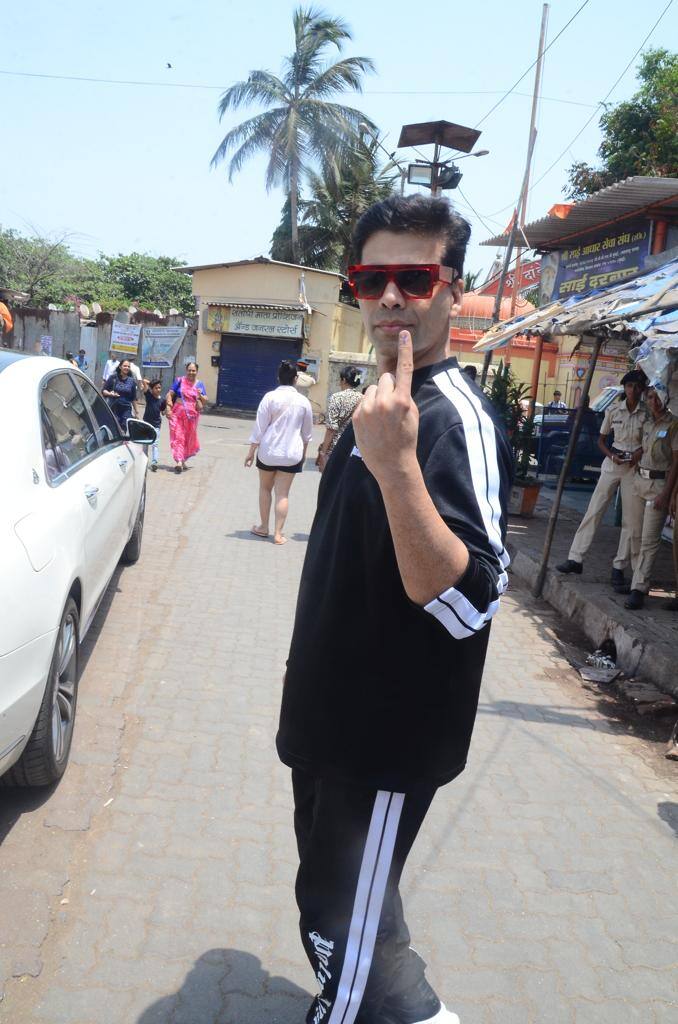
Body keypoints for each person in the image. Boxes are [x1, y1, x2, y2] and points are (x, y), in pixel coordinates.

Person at [277, 194, 511, 1024]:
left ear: (454, 290)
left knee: (346, 931)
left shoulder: (452, 423)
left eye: (414, 277)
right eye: (370, 277)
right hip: (330, 721)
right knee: (343, 899)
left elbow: (471, 604)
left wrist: (398, 467)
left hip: (384, 743)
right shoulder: (380, 402)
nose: (389, 298)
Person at [556, 371, 648, 590]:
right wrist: (611, 455)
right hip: (612, 463)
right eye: (629, 386)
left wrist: (639, 454)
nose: (633, 390)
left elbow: (649, 441)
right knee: (594, 510)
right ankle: (575, 558)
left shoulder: (647, 414)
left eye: (637, 386)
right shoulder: (614, 409)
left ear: (642, 389)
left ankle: (619, 567)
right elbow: (601, 440)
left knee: (631, 521)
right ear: (624, 388)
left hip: (634, 467)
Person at [244, 359, 313, 545]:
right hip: (292, 454)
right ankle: (278, 534)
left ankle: (263, 527)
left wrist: (251, 452)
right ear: (296, 379)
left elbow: (259, 428)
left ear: (278, 377)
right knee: (283, 494)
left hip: (268, 452)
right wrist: (304, 454)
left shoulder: (269, 397)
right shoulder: (304, 402)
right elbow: (307, 434)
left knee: (265, 488)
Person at [624, 380, 678, 610]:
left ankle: (639, 587)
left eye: (658, 398)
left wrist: (667, 493)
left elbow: (676, 462)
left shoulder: (674, 424)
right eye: (650, 398)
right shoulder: (648, 422)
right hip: (639, 482)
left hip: (658, 485)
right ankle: (637, 579)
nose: (654, 402)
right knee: (635, 534)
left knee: (649, 540)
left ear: (665, 399)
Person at [316, 364, 363, 472]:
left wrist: (323, 452)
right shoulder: (363, 398)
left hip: (336, 447)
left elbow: (331, 428)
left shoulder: (336, 397)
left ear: (344, 380)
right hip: (353, 447)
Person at [166, 361, 207, 473]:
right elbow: (170, 394)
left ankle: (183, 460)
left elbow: (205, 400)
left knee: (188, 438)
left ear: (197, 371)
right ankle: (179, 461)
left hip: (192, 417)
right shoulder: (179, 381)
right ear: (186, 370)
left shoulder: (199, 384)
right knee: (178, 436)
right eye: (189, 370)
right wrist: (169, 408)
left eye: (193, 370)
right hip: (177, 414)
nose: (191, 372)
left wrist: (200, 395)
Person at [102, 358, 139, 432]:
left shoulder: (132, 381)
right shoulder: (113, 378)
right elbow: (103, 391)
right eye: (125, 366)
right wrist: (110, 394)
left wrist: (137, 412)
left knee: (124, 430)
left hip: (126, 410)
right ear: (120, 367)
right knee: (114, 430)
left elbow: (133, 398)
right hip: (114, 409)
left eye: (128, 366)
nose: (127, 368)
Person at [141, 378, 167, 471]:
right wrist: (151, 383)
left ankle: (154, 462)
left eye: (159, 388)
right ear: (152, 389)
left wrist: (167, 409)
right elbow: (144, 381)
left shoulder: (163, 400)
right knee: (145, 444)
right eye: (156, 388)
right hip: (146, 424)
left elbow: (163, 413)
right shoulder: (149, 395)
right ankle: (143, 461)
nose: (158, 389)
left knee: (155, 444)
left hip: (156, 425)